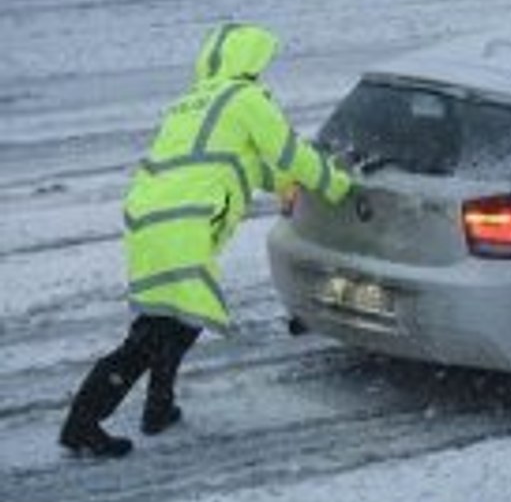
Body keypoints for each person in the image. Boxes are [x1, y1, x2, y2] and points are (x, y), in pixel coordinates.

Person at [59, 23, 353, 458]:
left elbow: (246, 164)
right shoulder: (246, 99)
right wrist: (338, 186)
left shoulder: (192, 104)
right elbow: (290, 152)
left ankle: (159, 406)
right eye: (259, 66)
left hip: (152, 217)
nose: (260, 75)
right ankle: (82, 424)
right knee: (152, 334)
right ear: (248, 64)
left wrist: (289, 186)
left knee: (177, 321)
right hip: (182, 223)